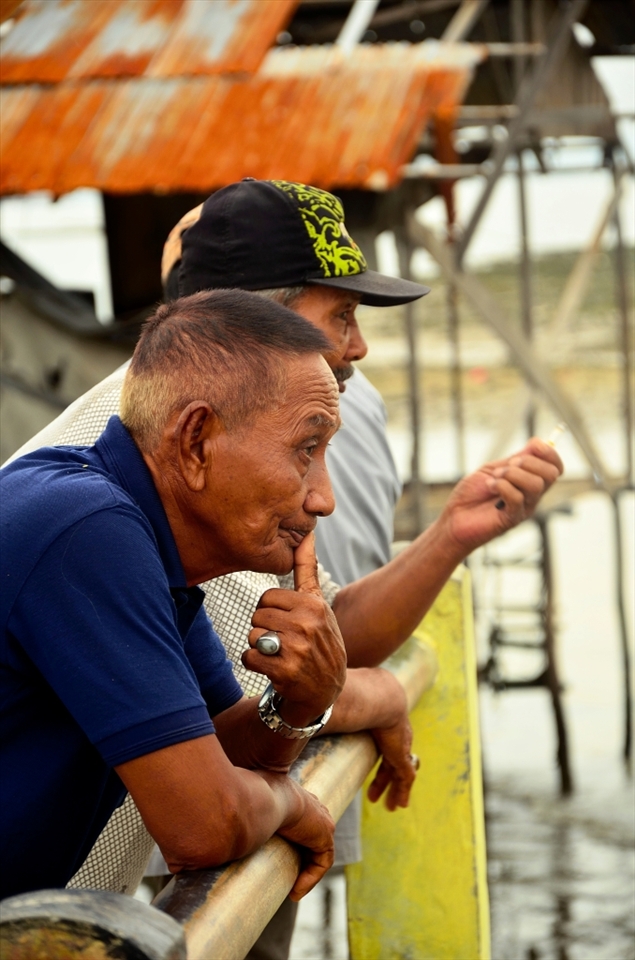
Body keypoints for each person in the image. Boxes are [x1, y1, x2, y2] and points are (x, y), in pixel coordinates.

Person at [0, 289, 407, 902]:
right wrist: (291, 802)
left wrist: (303, 700)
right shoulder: (87, 528)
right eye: (305, 450)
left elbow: (230, 747)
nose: (324, 497)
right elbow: (204, 826)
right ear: (195, 442)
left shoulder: (142, 535)